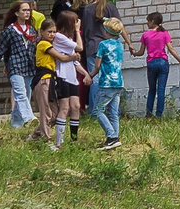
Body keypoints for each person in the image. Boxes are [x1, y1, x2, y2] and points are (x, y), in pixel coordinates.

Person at [0, 1, 38, 128]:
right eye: (24, 10)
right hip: (15, 65)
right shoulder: (10, 30)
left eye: (28, 10)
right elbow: (0, 48)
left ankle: (15, 124)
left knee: (27, 94)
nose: (27, 13)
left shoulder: (32, 30)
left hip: (29, 66)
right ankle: (29, 118)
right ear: (17, 13)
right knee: (20, 92)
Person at [85, 16, 126, 151]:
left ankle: (111, 137)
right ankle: (115, 139)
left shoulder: (103, 45)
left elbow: (97, 66)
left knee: (97, 111)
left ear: (106, 31)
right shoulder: (120, 45)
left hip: (106, 84)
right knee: (113, 113)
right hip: (118, 83)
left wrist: (89, 76)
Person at [48, 11, 83, 147]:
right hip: (62, 75)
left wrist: (86, 74)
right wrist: (78, 31)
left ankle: (74, 139)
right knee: (64, 107)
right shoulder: (59, 37)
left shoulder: (67, 39)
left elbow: (74, 59)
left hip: (71, 77)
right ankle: (59, 142)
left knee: (76, 106)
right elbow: (79, 48)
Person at [138, 13, 180, 119]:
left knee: (152, 90)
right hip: (163, 62)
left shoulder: (145, 35)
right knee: (161, 90)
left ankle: (148, 115)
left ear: (152, 21)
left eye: (148, 21)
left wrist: (133, 52)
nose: (147, 23)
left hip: (151, 63)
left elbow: (140, 52)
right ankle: (159, 115)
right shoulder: (165, 33)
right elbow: (171, 49)